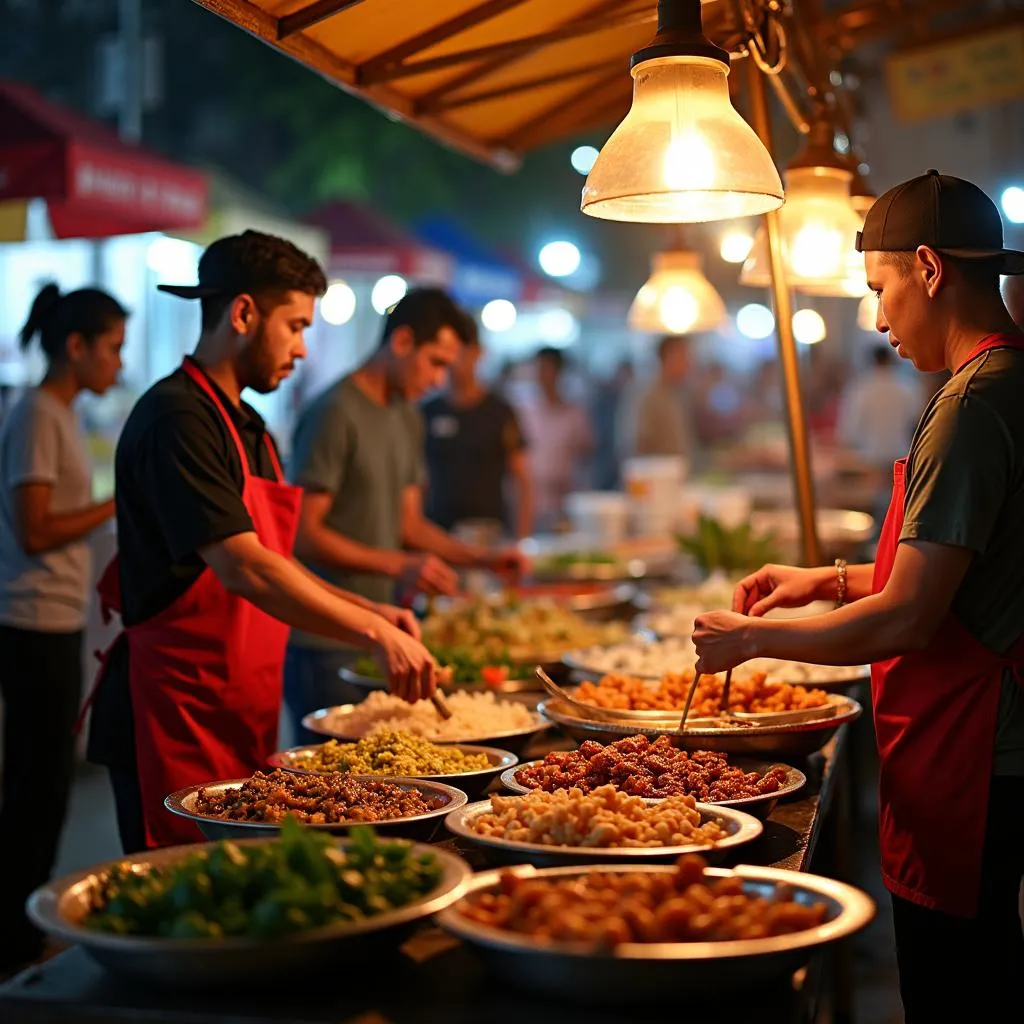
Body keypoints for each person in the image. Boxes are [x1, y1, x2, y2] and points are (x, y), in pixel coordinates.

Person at [691, 170, 1024, 1019]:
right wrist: (828, 580)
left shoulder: (974, 404)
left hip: (977, 752)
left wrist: (752, 641)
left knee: (961, 986)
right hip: (979, 745)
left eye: (880, 290)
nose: (878, 318)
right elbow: (948, 575)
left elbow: (913, 615)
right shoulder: (999, 381)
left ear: (928, 267)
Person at [84, 232, 436, 853]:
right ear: (243, 314)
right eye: (295, 326)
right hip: (172, 712)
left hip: (239, 706)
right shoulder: (178, 419)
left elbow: (279, 560)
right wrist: (372, 633)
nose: (303, 349)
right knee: (187, 906)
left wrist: (373, 611)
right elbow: (244, 567)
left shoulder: (249, 426)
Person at [285, 288, 525, 739]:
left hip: (386, 632)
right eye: (435, 362)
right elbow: (303, 534)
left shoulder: (406, 416)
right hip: (325, 639)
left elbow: (409, 526)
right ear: (401, 342)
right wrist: (400, 563)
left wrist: (486, 560)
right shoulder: (335, 412)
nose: (438, 380)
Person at [0, 285, 125, 973]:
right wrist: (112, 503)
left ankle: (17, 931)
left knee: (43, 780)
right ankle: (14, 939)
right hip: (29, 618)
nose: (118, 362)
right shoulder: (39, 413)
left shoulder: (60, 414)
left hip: (51, 616)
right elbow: (35, 526)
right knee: (35, 786)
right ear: (75, 346)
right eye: (111, 347)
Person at [422, 309, 533, 539]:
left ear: (478, 353)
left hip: (487, 533)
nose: (453, 363)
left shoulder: (500, 411)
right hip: (436, 532)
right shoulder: (427, 411)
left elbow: (521, 479)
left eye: (460, 352)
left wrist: (521, 538)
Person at [516, 346, 594, 531]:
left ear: (559, 372)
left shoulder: (574, 414)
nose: (542, 376)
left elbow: (586, 453)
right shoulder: (523, 412)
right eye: (539, 370)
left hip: (563, 501)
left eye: (547, 370)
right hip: (529, 501)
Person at [618, 335, 699, 465]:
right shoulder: (646, 394)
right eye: (685, 356)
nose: (690, 363)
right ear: (668, 357)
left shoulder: (680, 393)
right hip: (655, 476)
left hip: (677, 473)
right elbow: (636, 444)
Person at [836, 345, 922, 468]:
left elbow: (849, 431)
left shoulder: (859, 389)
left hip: (869, 461)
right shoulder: (909, 387)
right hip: (902, 457)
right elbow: (917, 423)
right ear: (891, 360)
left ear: (872, 361)